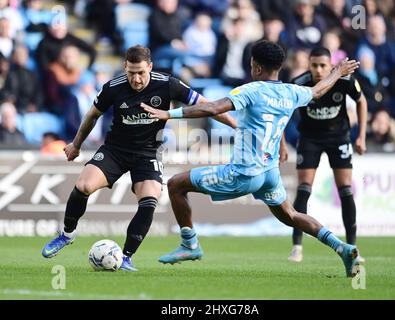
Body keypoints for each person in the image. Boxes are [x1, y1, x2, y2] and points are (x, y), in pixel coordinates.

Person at [143, 40, 362, 277]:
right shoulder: (292, 91)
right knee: (291, 215)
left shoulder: (250, 90)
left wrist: (168, 113)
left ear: (256, 67)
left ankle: (189, 245)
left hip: (243, 173)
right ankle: (342, 247)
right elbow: (318, 90)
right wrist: (337, 72)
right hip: (269, 173)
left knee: (176, 184)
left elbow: (214, 108)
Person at [41, 45, 236, 271]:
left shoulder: (167, 84)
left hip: (148, 152)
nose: (135, 78)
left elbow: (206, 105)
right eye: (131, 72)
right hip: (116, 149)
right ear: (125, 67)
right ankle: (67, 234)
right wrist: (76, 145)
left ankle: (125, 257)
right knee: (83, 185)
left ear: (150, 67)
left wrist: (235, 125)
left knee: (150, 198)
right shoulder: (113, 87)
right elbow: (92, 116)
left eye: (141, 72)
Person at [286, 47, 368, 263]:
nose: (319, 70)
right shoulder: (300, 82)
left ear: (331, 65)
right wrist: (282, 143)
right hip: (309, 138)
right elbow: (284, 111)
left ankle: (353, 246)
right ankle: (297, 246)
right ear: (309, 65)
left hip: (338, 137)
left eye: (323, 65)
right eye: (314, 65)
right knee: (303, 190)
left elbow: (362, 101)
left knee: (345, 190)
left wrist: (361, 137)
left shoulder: (345, 81)